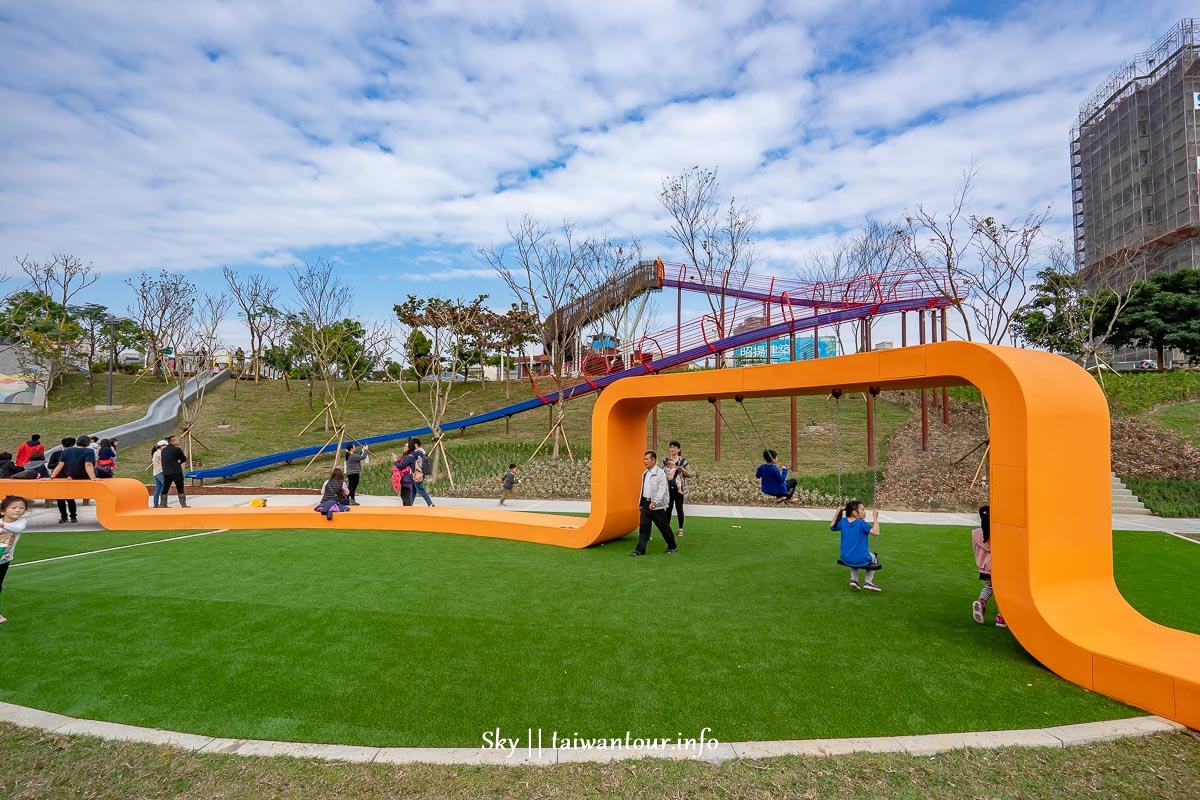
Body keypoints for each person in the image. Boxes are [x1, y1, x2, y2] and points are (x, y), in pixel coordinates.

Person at [632, 450, 677, 556]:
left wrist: (655, 502)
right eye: (644, 459)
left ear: (653, 460)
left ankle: (672, 546)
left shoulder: (660, 474)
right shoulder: (645, 473)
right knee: (644, 528)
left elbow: (662, 490)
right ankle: (640, 550)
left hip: (657, 506)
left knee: (663, 527)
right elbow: (644, 489)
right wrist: (642, 503)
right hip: (646, 504)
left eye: (647, 459)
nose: (645, 461)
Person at [831, 500, 881, 591]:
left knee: (853, 556)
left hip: (845, 557)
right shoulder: (862, 524)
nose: (865, 512)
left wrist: (838, 511)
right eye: (862, 510)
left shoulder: (843, 521)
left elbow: (832, 526)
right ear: (854, 512)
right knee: (873, 558)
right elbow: (876, 532)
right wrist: (875, 518)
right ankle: (868, 582)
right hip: (859, 558)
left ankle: (854, 580)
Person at [971, 505, 1006, 628]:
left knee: (989, 586)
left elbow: (975, 549)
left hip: (984, 567)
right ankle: (1001, 617)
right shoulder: (999, 533)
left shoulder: (975, 533)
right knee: (1003, 590)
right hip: (999, 567)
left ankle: (981, 602)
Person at [49, 434, 97, 523]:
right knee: (70, 498)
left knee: (61, 498)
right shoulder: (89, 451)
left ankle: (64, 517)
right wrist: (93, 478)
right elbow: (88, 465)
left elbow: (60, 465)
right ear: (87, 443)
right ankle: (73, 516)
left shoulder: (65, 451)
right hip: (81, 476)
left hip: (66, 476)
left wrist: (51, 477)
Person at [0, 495, 29, 624]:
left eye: (22, 508)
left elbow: (17, 529)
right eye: (14, 507)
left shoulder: (21, 522)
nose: (18, 510)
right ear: (3, 511)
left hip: (4, 560)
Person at [661, 440, 692, 536]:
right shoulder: (665, 461)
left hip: (679, 489)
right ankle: (667, 528)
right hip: (668, 488)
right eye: (671, 447)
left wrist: (683, 470)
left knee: (679, 508)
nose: (672, 449)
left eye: (674, 447)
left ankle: (681, 529)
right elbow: (660, 472)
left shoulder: (683, 461)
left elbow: (690, 474)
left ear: (679, 449)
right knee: (668, 508)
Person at [158, 436, 189, 508]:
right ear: (173, 441)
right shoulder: (176, 449)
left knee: (165, 488)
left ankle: (163, 504)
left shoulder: (164, 450)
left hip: (166, 472)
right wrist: (179, 462)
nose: (179, 441)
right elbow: (183, 458)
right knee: (180, 487)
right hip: (176, 471)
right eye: (177, 440)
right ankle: (183, 504)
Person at [391, 441, 418, 507]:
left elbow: (401, 466)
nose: (404, 447)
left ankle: (408, 511)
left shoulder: (409, 457)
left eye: (406, 446)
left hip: (407, 479)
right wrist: (397, 460)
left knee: (406, 496)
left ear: (410, 448)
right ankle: (406, 510)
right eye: (404, 446)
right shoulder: (407, 455)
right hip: (405, 478)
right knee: (403, 496)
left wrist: (395, 461)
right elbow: (403, 463)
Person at [411, 438, 435, 507]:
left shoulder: (416, 453)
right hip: (422, 473)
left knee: (420, 488)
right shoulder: (423, 451)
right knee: (413, 489)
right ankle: (409, 505)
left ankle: (430, 503)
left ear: (415, 445)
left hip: (418, 473)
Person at [150, 440, 168, 508]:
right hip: (160, 472)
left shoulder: (155, 452)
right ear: (161, 446)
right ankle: (163, 504)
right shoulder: (159, 453)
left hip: (156, 473)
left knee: (158, 489)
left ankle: (156, 504)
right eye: (165, 446)